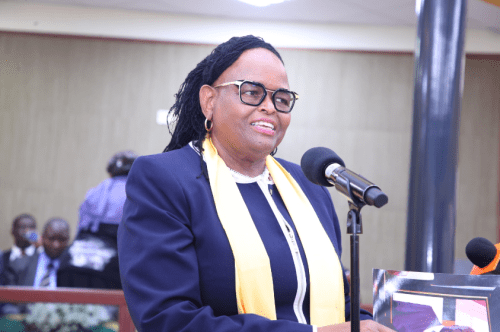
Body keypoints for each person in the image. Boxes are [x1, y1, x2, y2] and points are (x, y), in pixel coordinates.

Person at [117, 35, 394, 332]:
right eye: (251, 92)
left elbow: (341, 303)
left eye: (282, 98)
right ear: (209, 101)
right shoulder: (165, 179)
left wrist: (371, 327)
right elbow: (168, 320)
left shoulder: (308, 186)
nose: (270, 107)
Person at [57, 150, 137, 289]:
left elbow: (81, 229)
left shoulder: (94, 191)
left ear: (110, 171)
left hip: (69, 264)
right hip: (112, 268)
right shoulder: (139, 192)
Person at [3, 217, 70, 287]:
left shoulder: (74, 269)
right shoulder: (18, 265)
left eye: (62, 239)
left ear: (68, 240)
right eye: (51, 238)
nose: (56, 245)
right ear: (42, 237)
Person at [1, 214, 40, 285]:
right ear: (12, 231)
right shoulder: (2, 257)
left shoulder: (41, 257)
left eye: (31, 227)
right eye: (22, 227)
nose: (26, 231)